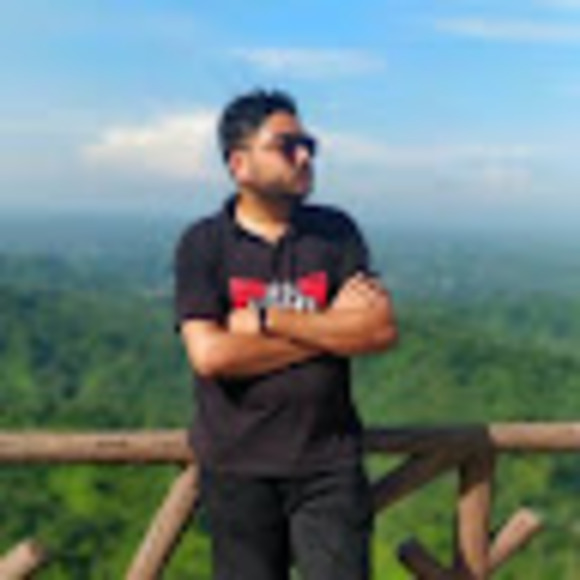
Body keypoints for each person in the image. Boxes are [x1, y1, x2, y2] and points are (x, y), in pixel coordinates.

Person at [174, 88, 397, 580]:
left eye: (308, 145)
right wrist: (330, 327)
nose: (304, 157)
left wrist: (268, 320)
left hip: (329, 462)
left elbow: (379, 329)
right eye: (287, 146)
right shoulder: (205, 244)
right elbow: (210, 356)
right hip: (237, 466)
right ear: (239, 164)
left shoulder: (335, 232)